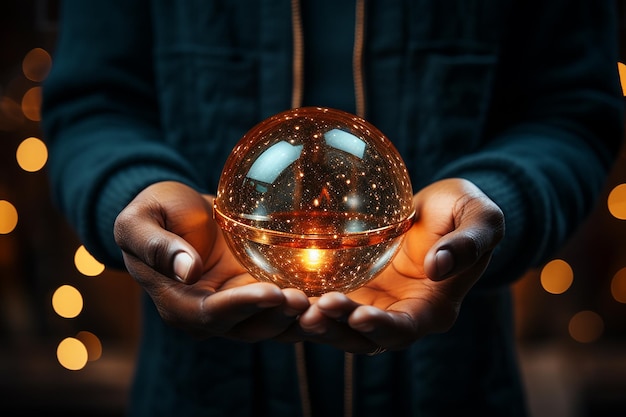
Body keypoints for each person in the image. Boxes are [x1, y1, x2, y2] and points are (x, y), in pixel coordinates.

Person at [42, 0, 623, 416]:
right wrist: (135, 193)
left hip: (453, 385)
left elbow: (571, 107)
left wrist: (496, 200)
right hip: (198, 390)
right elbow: (95, 101)